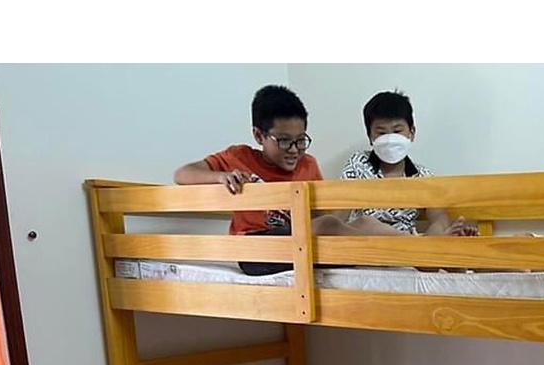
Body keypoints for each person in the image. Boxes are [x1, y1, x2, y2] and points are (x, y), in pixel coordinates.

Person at [174, 84, 334, 274]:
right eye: (284, 140)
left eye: (300, 140)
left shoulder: (308, 164)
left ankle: (363, 245)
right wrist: (220, 176)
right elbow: (182, 174)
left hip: (299, 243)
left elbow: (319, 213)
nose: (293, 150)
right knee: (326, 226)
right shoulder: (239, 158)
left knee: (358, 222)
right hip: (255, 250)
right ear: (259, 135)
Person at [338, 90, 475, 236]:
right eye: (381, 133)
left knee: (439, 229)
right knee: (365, 222)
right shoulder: (358, 164)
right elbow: (338, 217)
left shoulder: (422, 176)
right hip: (365, 243)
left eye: (397, 131)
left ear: (412, 132)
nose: (390, 139)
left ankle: (415, 243)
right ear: (370, 136)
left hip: (407, 245)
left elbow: (439, 219)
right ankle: (414, 242)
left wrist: (441, 233)